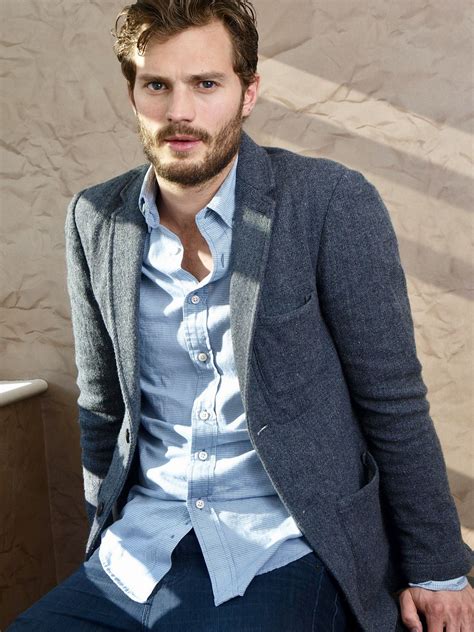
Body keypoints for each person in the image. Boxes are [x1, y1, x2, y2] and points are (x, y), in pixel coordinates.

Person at [9, 1, 473, 630]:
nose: (180, 111)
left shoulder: (330, 203)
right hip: (138, 550)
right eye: (157, 85)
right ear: (133, 94)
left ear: (248, 92)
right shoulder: (95, 220)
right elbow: (101, 409)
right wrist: (101, 536)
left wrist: (438, 568)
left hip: (286, 548)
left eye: (206, 84)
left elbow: (391, 399)